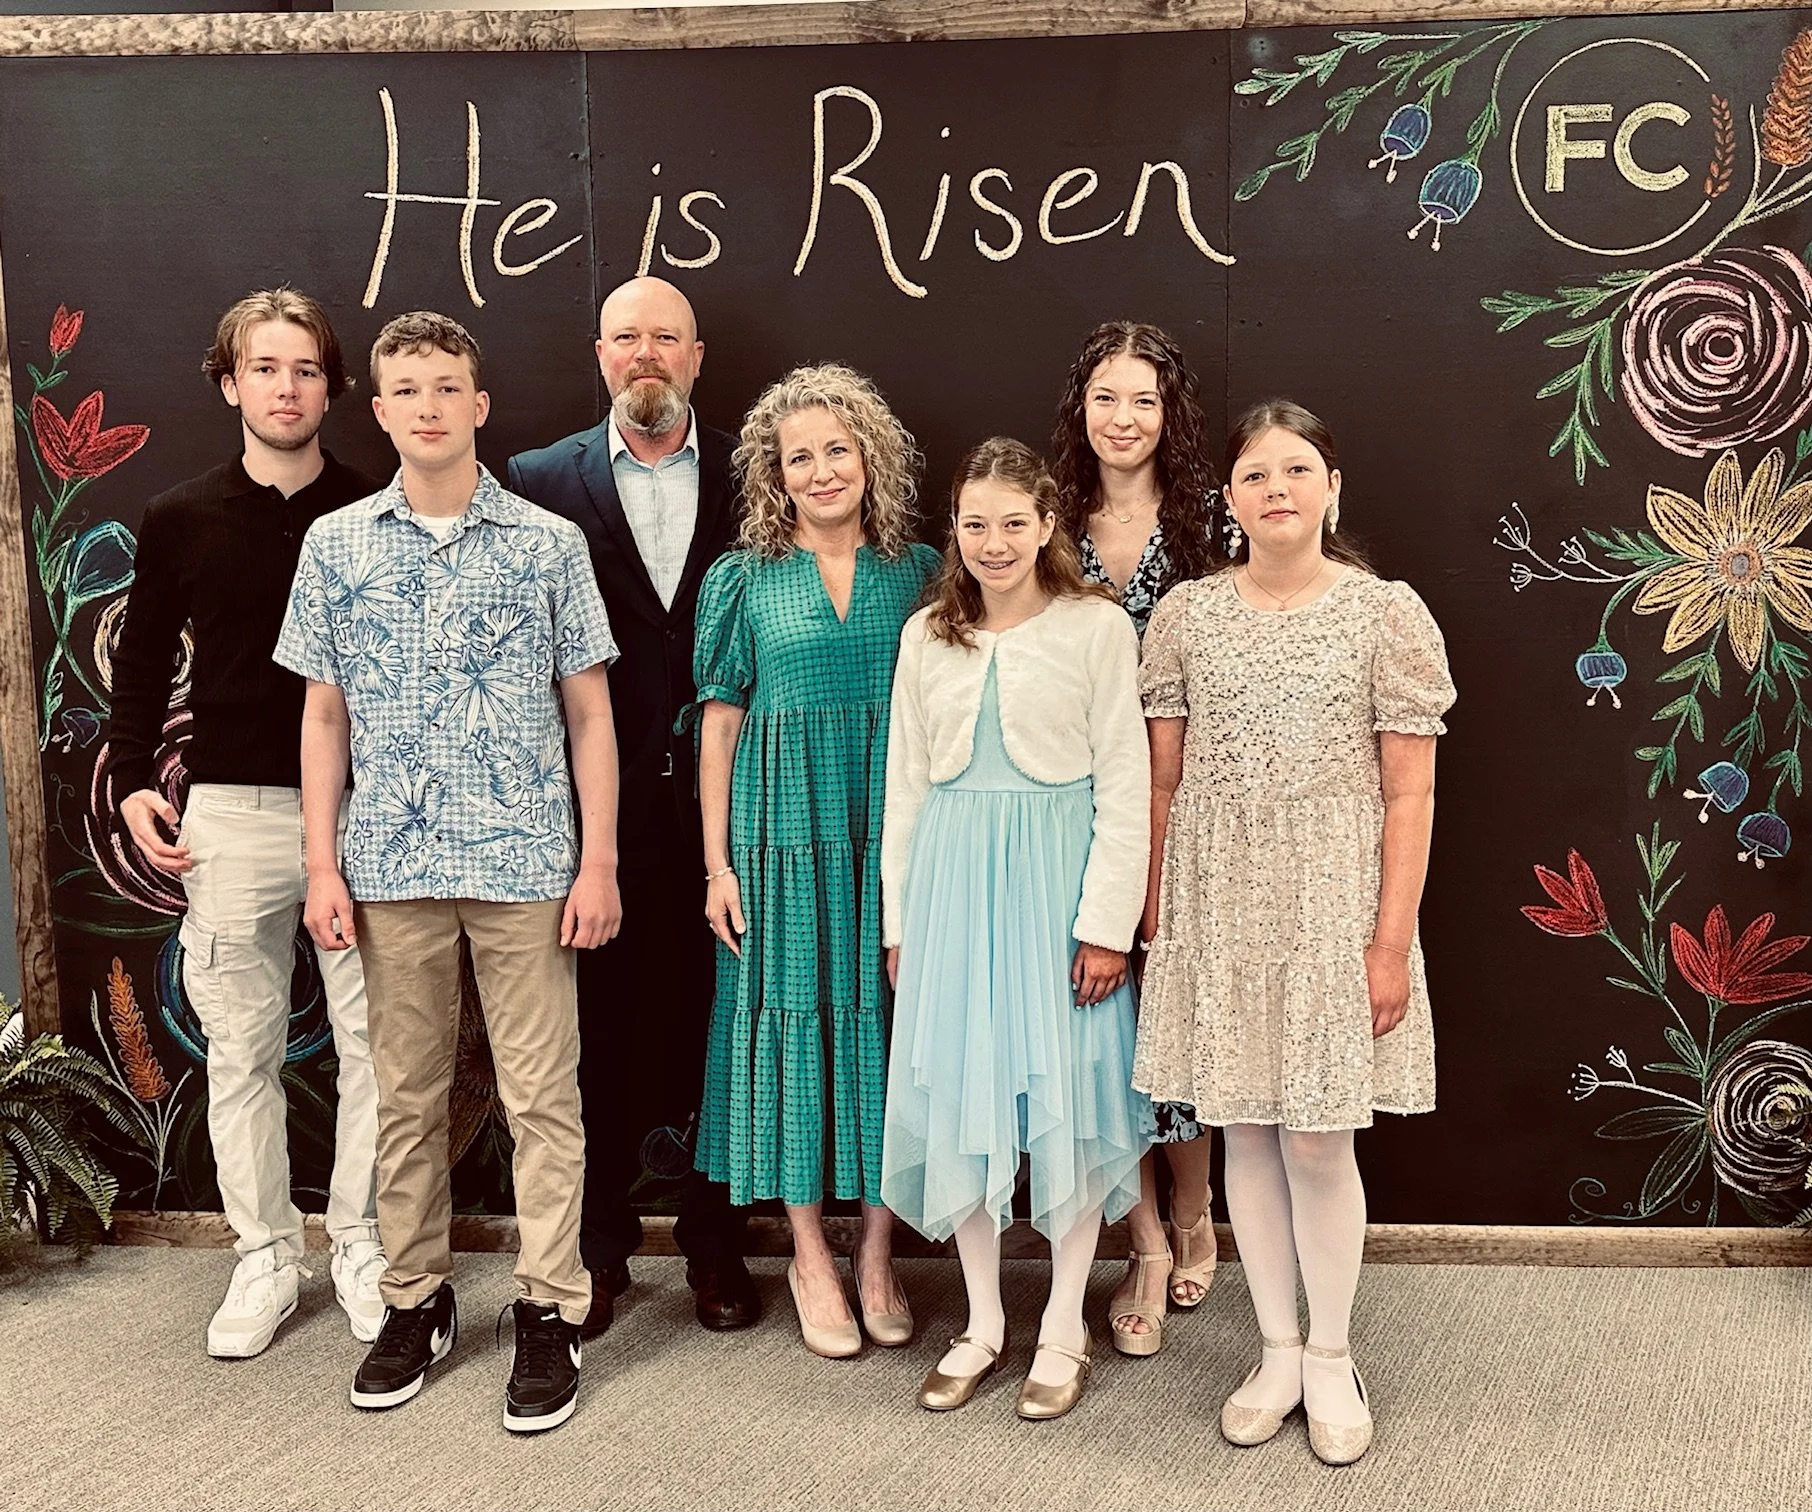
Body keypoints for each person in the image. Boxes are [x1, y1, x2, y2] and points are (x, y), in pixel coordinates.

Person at [276, 311, 622, 1435]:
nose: (428, 406)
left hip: (526, 861)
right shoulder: (336, 546)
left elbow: (590, 713)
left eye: (447, 387)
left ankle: (551, 1307)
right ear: (378, 411)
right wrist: (322, 865)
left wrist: (600, 860)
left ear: (479, 405)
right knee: (408, 1098)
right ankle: (415, 1299)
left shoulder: (547, 544)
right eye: (406, 389)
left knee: (542, 1097)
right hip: (391, 863)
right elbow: (323, 718)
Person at [1131, 400, 1455, 1465]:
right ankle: (1274, 1348)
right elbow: (1163, 781)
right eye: (1256, 475)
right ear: (1229, 499)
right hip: (1219, 905)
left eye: (1297, 469)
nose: (1277, 488)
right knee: (1245, 1130)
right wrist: (1157, 911)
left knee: (1318, 1137)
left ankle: (1330, 1352)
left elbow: (1409, 794)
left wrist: (1388, 943)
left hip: (1331, 907)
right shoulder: (1186, 616)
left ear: (1332, 488)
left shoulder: (1382, 615)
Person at [105, 288, 384, 1359]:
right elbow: (140, 665)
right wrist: (133, 779)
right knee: (241, 1049)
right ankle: (265, 1254)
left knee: (375, 1043)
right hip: (230, 813)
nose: (286, 387)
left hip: (364, 813)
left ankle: (360, 1241)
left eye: (306, 368)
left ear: (333, 387)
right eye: (265, 368)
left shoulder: (375, 508)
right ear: (230, 384)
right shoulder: (180, 516)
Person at [881, 437, 1153, 1420]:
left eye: (1011, 523)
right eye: (974, 524)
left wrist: (1106, 927)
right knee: (964, 1094)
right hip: (954, 890)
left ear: (1046, 526)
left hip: (1057, 888)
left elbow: (1125, 784)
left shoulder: (1096, 627)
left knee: (1068, 1101)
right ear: (954, 531)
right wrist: (901, 925)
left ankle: (1064, 1325)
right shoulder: (928, 636)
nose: (993, 543)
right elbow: (906, 788)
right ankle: (984, 1322)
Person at [507, 275, 756, 1338]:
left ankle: (717, 1245)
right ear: (600, 355)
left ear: (697, 358)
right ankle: (598, 1249)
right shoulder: (534, 479)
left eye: (666, 337)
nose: (645, 353)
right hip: (591, 814)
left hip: (730, 805)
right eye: (625, 337)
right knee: (593, 1036)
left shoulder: (757, 472)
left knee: (724, 1029)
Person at [693, 364, 937, 1359]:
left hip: (892, 839)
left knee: (888, 1033)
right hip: (781, 842)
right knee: (789, 1026)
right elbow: (719, 726)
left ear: (871, 459)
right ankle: (807, 1254)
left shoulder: (922, 570)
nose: (823, 470)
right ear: (775, 474)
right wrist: (717, 866)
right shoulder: (742, 579)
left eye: (839, 449)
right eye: (801, 457)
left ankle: (877, 1253)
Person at [1050, 319, 1222, 1357]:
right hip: (1075, 809)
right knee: (1104, 1034)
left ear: (1170, 414)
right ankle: (1143, 1240)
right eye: (1105, 397)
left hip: (1194, 804)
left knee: (1175, 1021)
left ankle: (1197, 1214)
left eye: (1144, 400)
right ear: (1081, 408)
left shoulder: (1212, 519)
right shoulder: (1046, 520)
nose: (1123, 418)